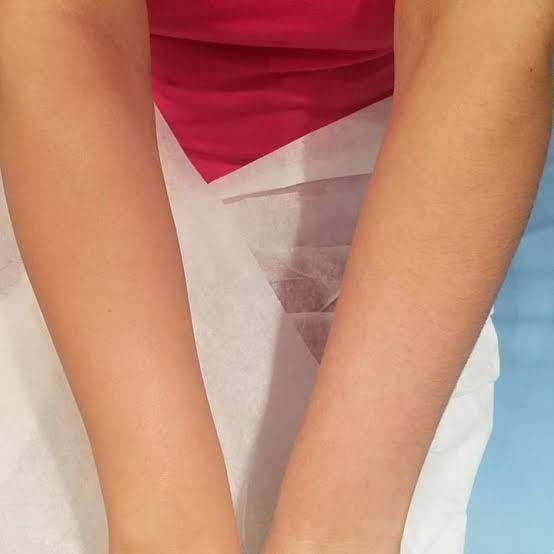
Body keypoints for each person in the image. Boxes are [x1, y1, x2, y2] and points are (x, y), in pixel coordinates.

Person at [0, 2, 551, 553]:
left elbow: (486, 28)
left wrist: (340, 532)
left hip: (407, 173)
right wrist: (165, 528)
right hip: (106, 164)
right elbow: (65, 23)